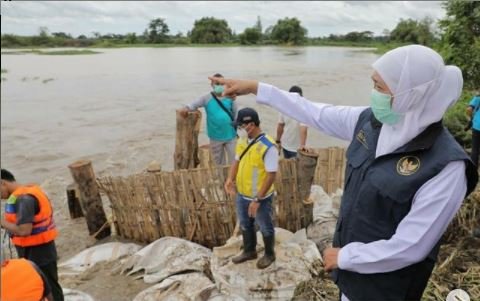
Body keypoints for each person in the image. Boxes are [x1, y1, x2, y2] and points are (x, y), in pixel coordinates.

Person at [210, 44, 478, 301]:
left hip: (388, 286)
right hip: (349, 273)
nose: (374, 94)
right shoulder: (371, 122)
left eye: (379, 87)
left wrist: (346, 257)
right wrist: (257, 88)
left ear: (410, 95)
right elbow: (314, 112)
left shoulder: (446, 166)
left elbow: (412, 245)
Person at [224, 107, 278, 269]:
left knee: (265, 226)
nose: (238, 130)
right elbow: (237, 161)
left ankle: (269, 254)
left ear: (251, 125)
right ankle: (249, 250)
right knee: (245, 224)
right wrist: (230, 179)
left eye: (240, 126)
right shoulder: (243, 141)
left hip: (260, 197)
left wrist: (257, 199)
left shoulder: (268, 147)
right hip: (242, 194)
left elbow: (271, 175)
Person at [1, 169, 64, 301]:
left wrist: (2, 222)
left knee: (50, 287)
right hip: (31, 250)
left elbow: (24, 231)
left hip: (40, 252)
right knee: (36, 283)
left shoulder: (25, 199)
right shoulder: (19, 196)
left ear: (2, 183)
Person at [179, 73, 238, 166]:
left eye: (222, 84)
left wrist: (238, 127)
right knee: (218, 164)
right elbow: (193, 105)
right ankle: (222, 180)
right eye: (217, 84)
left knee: (234, 162)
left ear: (225, 84)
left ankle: (233, 180)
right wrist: (185, 109)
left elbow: (236, 114)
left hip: (231, 135)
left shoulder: (230, 97)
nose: (219, 86)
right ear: (212, 85)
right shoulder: (206, 98)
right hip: (215, 136)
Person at [276, 85, 308, 158]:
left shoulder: (283, 107)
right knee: (296, 169)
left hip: (285, 145)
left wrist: (278, 141)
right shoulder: (304, 109)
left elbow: (280, 125)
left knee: (286, 167)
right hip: (297, 149)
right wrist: (303, 145)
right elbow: (303, 129)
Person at [466, 91, 480, 166]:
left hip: (477, 126)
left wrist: (470, 117)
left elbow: (469, 109)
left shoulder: (478, 97)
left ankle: (473, 170)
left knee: (475, 150)